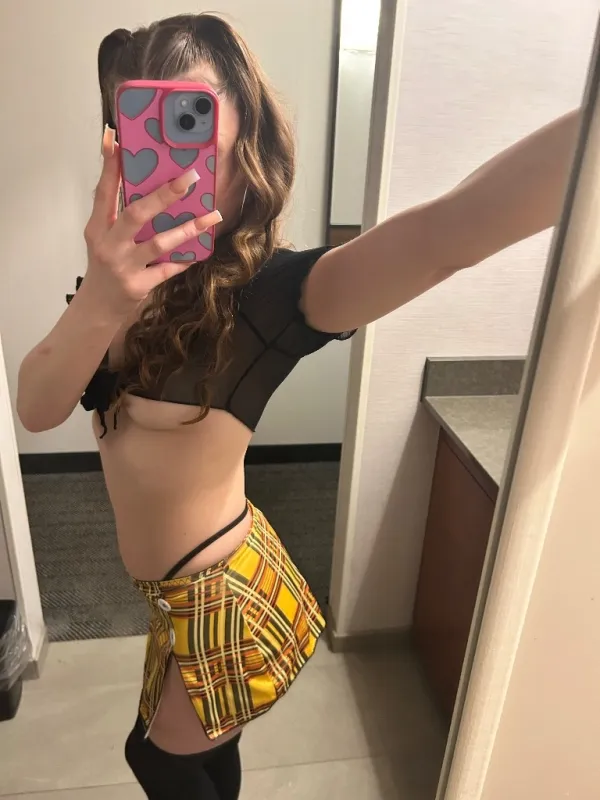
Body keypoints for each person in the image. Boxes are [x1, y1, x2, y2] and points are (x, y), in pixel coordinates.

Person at [17, 12, 580, 800]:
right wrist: (104, 297)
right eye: (152, 132)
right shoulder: (117, 291)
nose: (177, 168)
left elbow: (442, 235)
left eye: (197, 128)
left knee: (157, 758)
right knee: (203, 751)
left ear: (246, 147)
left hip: (228, 597)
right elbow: (35, 407)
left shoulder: (268, 298)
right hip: (175, 599)